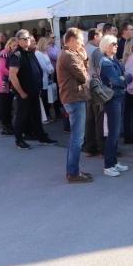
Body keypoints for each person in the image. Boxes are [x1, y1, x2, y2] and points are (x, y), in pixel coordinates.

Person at [57, 28, 93, 183]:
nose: (82, 44)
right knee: (77, 139)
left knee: (76, 138)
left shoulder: (68, 54)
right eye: (80, 41)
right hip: (74, 99)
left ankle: (73, 171)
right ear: (71, 40)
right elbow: (84, 76)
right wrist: (84, 59)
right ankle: (73, 173)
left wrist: (83, 59)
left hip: (73, 98)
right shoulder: (68, 55)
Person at [9, 29, 55, 149]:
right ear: (19, 40)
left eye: (29, 38)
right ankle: (19, 140)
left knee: (36, 115)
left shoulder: (30, 52)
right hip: (24, 92)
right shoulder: (17, 55)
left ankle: (41, 136)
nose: (28, 40)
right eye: (25, 39)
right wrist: (21, 92)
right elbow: (12, 75)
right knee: (22, 116)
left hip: (34, 90)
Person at [98, 35, 132, 177]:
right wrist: (124, 79)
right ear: (106, 46)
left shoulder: (113, 60)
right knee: (113, 132)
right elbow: (118, 80)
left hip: (118, 96)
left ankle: (114, 161)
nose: (116, 46)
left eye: (116, 44)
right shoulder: (106, 62)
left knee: (115, 132)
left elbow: (125, 76)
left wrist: (124, 78)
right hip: (112, 99)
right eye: (113, 44)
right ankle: (108, 165)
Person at [0, 37, 18, 135]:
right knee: (5, 107)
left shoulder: (15, 54)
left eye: (16, 45)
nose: (15, 47)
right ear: (9, 45)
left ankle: (9, 126)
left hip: (10, 84)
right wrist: (13, 74)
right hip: (3, 84)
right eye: (13, 45)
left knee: (9, 107)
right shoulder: (4, 53)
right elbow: (2, 69)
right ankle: (5, 127)